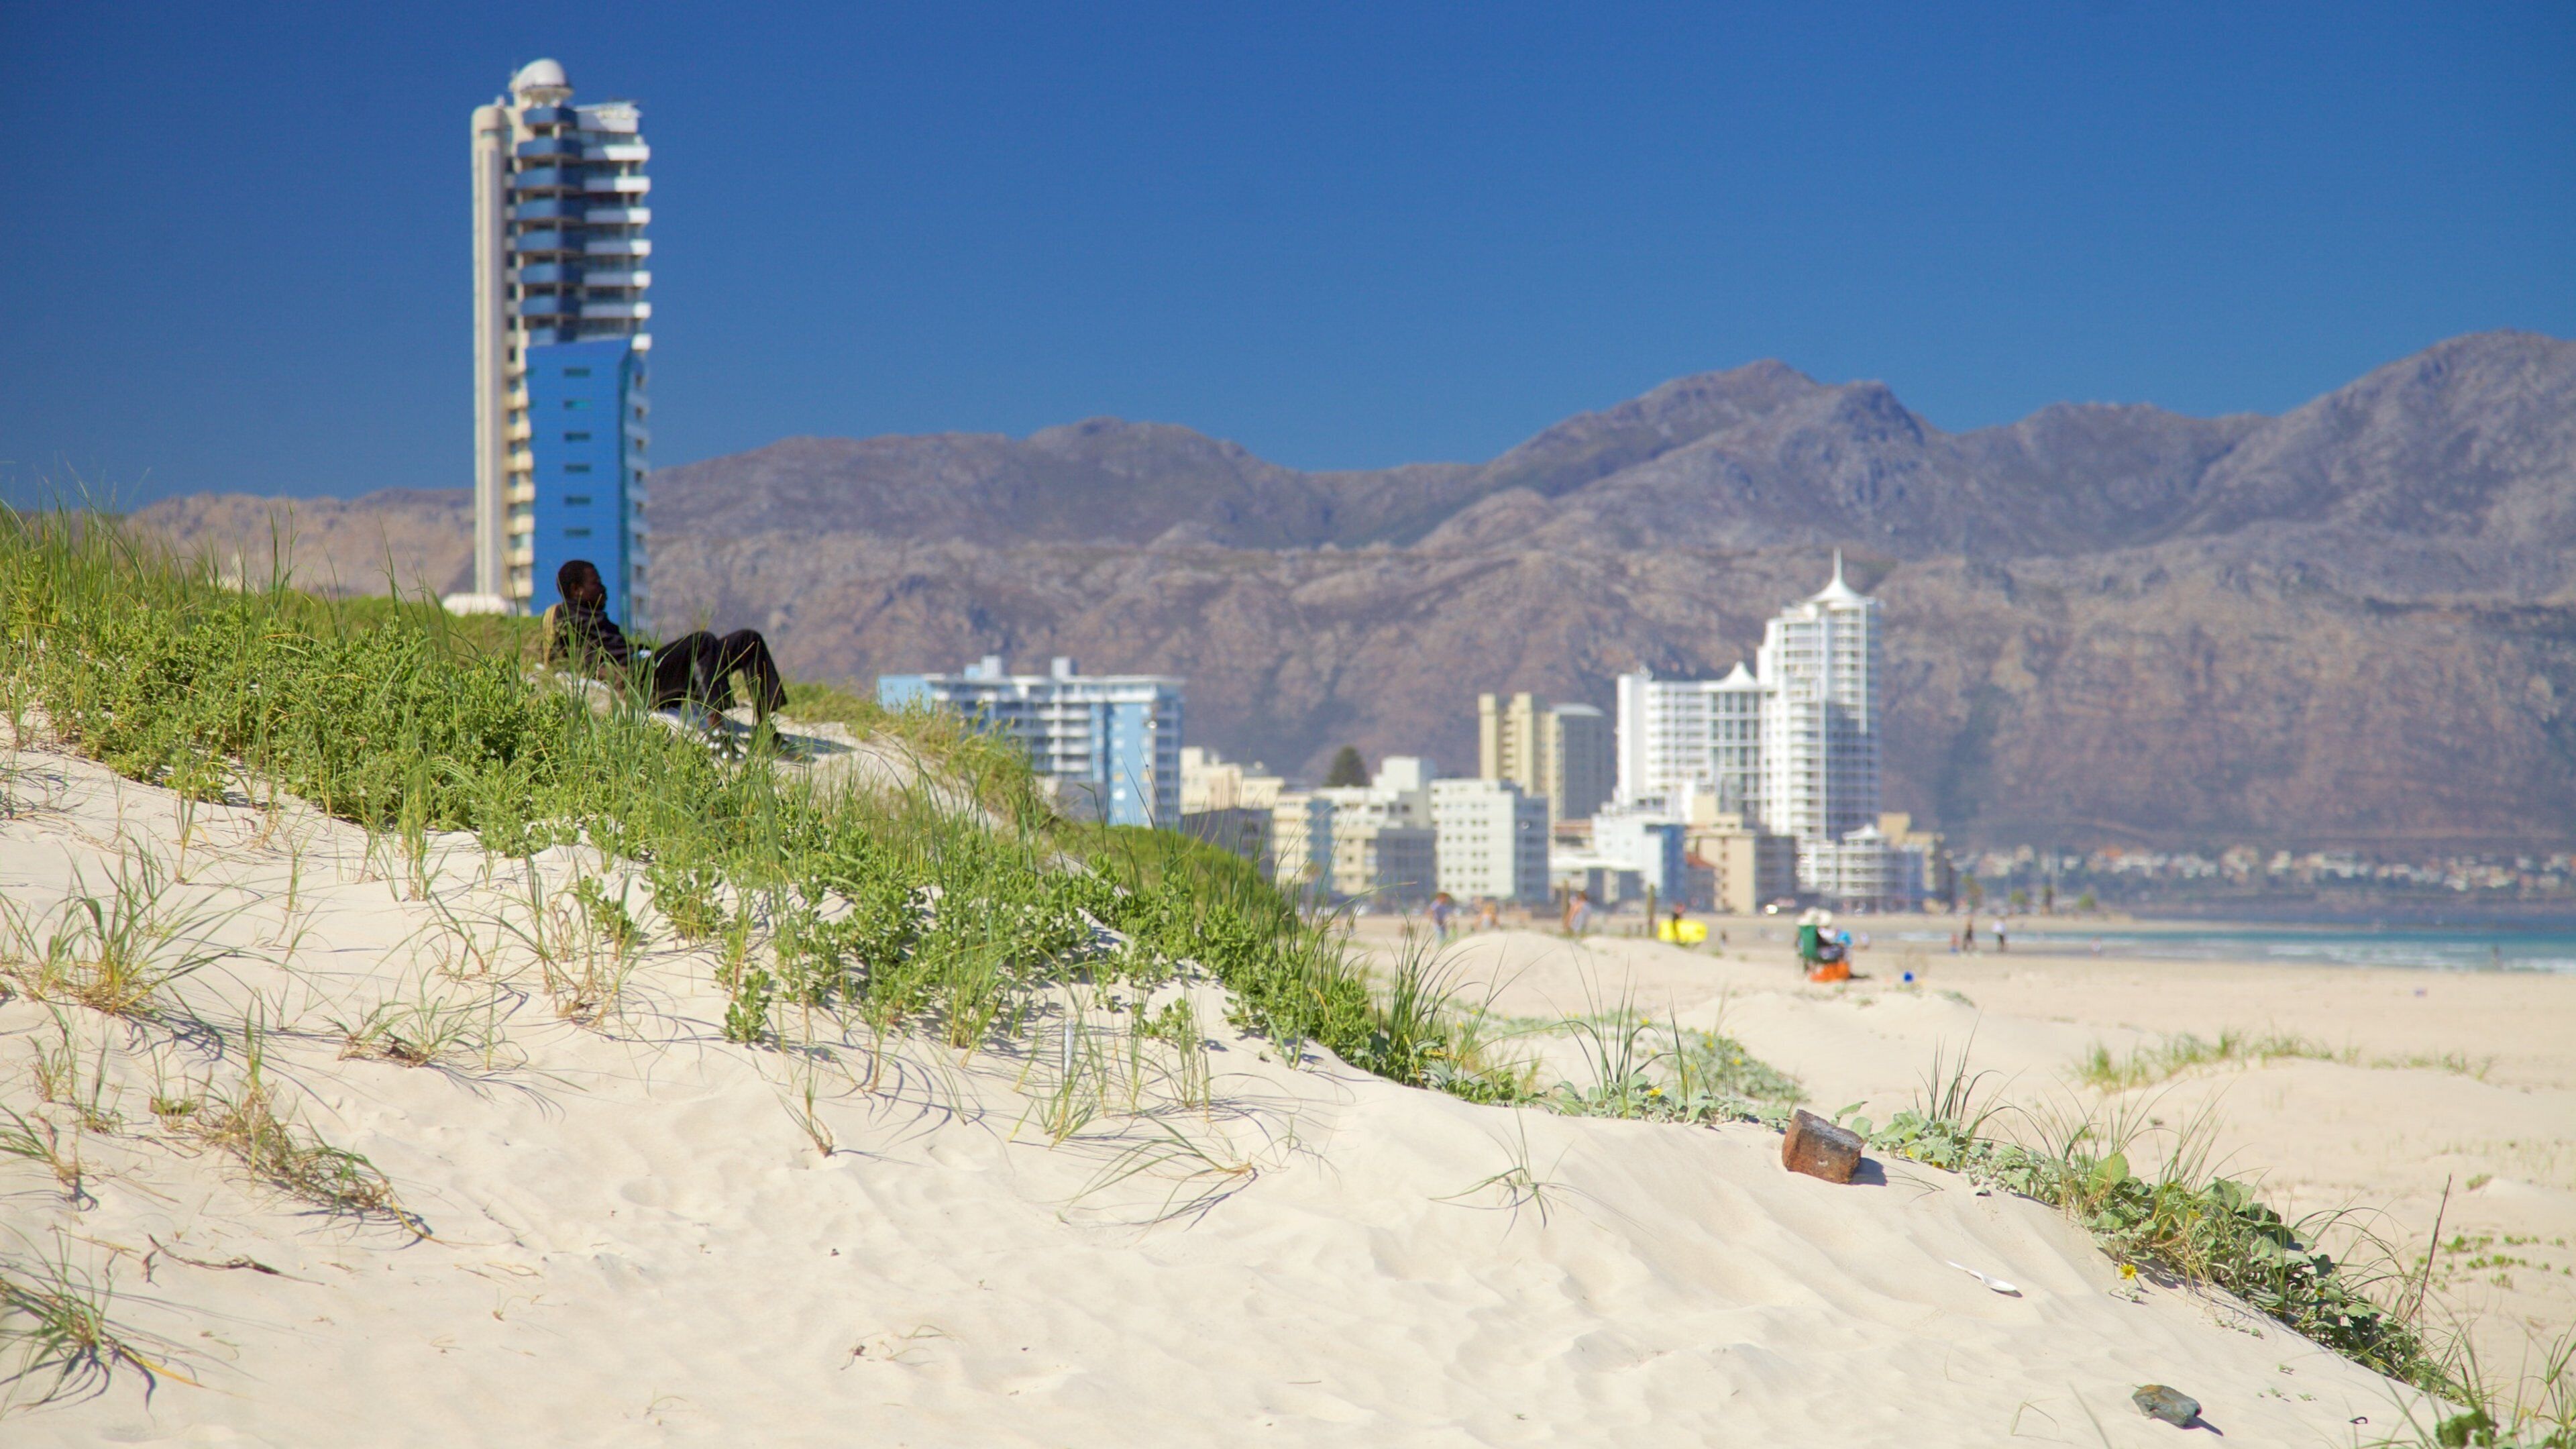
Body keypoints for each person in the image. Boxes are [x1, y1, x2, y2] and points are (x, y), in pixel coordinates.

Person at [543, 559, 788, 721]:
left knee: (748, 639)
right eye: (596, 583)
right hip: (642, 681)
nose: (604, 589)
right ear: (576, 590)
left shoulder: (599, 619)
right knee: (702, 641)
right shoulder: (567, 617)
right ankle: (716, 727)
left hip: (651, 665)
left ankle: (766, 727)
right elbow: (559, 657)